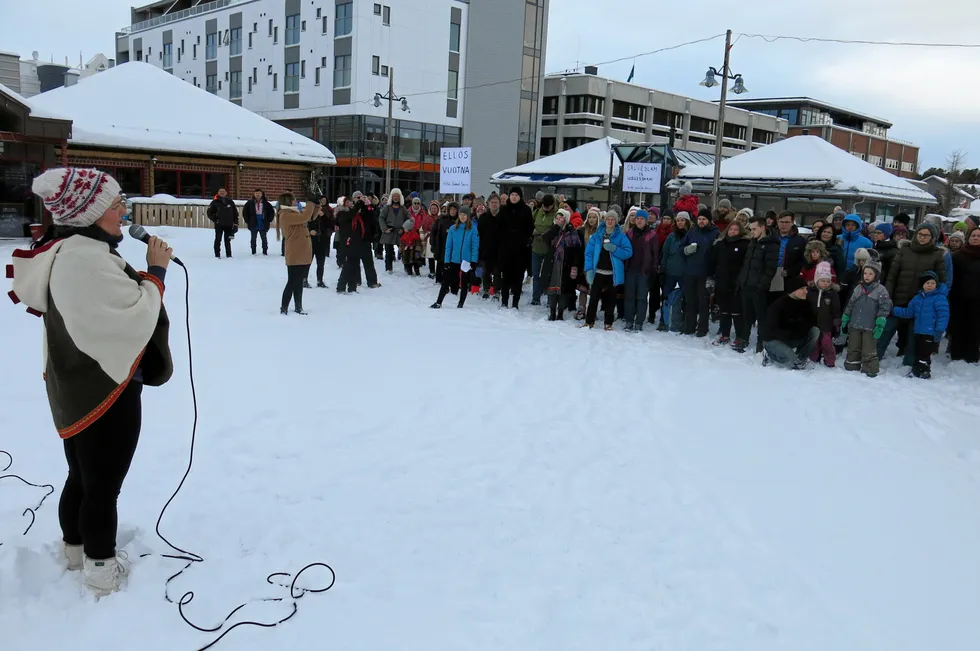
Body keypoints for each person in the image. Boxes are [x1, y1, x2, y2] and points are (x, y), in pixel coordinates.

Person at [10, 167, 174, 596]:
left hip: (77, 383)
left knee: (82, 476)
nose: (124, 211)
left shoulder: (78, 250)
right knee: (103, 486)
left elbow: (104, 308)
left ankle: (76, 550)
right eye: (117, 203)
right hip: (105, 388)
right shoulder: (84, 258)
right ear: (90, 213)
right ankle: (101, 570)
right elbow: (131, 317)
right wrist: (156, 273)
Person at [880, 222, 947, 364]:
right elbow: (892, 276)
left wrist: (932, 302)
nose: (922, 237)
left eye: (926, 235)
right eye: (920, 234)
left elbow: (941, 282)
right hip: (898, 299)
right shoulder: (904, 250)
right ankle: (873, 357)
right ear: (915, 234)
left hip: (921, 303)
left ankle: (909, 363)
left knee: (913, 337)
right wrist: (888, 296)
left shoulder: (937, 255)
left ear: (932, 237)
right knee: (885, 330)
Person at [892, 271, 949, 379]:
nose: (930, 285)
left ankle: (924, 372)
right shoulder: (917, 298)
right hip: (918, 331)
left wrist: (939, 331)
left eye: (932, 283)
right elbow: (909, 312)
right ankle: (917, 370)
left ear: (936, 285)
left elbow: (943, 316)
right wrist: (893, 310)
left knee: (924, 354)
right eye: (927, 283)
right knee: (918, 352)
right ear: (922, 285)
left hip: (930, 332)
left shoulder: (939, 298)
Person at [583, 210, 633, 330]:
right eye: (608, 219)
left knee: (611, 299)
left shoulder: (621, 236)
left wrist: (614, 249)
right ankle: (589, 321)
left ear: (616, 222)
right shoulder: (596, 236)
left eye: (612, 219)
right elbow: (588, 254)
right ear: (605, 221)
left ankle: (608, 323)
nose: (610, 221)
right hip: (598, 272)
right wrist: (589, 270)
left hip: (613, 274)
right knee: (593, 298)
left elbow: (628, 253)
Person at [842, 258, 891, 377]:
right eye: (865, 273)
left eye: (870, 273)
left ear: (876, 275)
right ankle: (852, 366)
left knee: (868, 350)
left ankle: (870, 369)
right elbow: (851, 304)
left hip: (870, 326)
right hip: (855, 324)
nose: (867, 276)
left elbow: (884, 308)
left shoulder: (881, 290)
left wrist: (880, 323)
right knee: (853, 347)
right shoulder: (858, 288)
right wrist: (845, 318)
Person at [738, 215, 780, 353]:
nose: (752, 232)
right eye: (750, 229)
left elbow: (770, 269)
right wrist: (742, 280)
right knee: (746, 315)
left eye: (754, 229)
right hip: (747, 284)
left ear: (763, 227)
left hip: (759, 287)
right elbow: (746, 264)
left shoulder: (772, 244)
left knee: (761, 318)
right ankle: (743, 339)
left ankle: (761, 343)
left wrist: (761, 286)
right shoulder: (753, 242)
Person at [762, 276, 819, 369]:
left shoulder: (806, 303)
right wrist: (791, 332)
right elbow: (770, 330)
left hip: (794, 337)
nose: (806, 291)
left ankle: (800, 358)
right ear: (793, 290)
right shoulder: (778, 305)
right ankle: (769, 355)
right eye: (802, 289)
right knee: (786, 358)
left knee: (815, 330)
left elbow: (812, 322)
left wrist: (800, 328)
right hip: (773, 340)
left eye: (806, 288)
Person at [708, 220, 749, 348]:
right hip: (722, 280)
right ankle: (725, 335)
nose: (732, 232)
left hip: (737, 282)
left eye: (735, 230)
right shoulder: (720, 244)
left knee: (737, 310)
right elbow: (713, 261)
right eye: (731, 229)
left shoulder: (745, 244)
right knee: (724, 310)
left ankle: (740, 336)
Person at [678, 208, 720, 337]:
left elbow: (719, 254)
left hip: (705, 273)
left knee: (703, 302)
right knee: (690, 301)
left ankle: (702, 328)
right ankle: (689, 326)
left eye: (704, 219)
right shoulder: (692, 232)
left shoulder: (715, 233)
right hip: (690, 271)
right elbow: (680, 248)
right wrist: (686, 250)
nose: (701, 221)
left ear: (709, 220)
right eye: (700, 219)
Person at [540, 209, 584, 321]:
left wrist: (574, 266)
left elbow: (577, 250)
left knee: (563, 289)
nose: (559, 220)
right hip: (552, 264)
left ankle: (560, 312)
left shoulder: (571, 231)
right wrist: (556, 227)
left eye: (562, 218)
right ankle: (552, 311)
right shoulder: (552, 229)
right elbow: (545, 239)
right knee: (552, 289)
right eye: (557, 218)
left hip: (566, 264)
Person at [431, 207, 480, 309]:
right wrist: (447, 261)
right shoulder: (453, 228)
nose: (462, 217)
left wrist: (474, 261)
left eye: (464, 215)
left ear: (468, 216)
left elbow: (475, 246)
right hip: (454, 260)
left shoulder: (473, 229)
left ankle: (461, 303)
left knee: (464, 283)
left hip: (466, 261)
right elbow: (448, 246)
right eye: (461, 214)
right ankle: (438, 302)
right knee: (446, 281)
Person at [277, 192, 318, 314]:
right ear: (288, 202)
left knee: (298, 281)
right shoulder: (285, 215)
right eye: (294, 200)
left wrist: (316, 204)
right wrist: (310, 203)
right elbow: (305, 217)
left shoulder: (294, 213)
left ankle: (298, 306)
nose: (296, 202)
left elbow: (310, 217)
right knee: (293, 281)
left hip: (302, 252)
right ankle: (284, 307)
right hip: (295, 253)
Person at [496, 187, 535, 309]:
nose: (514, 197)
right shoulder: (504, 209)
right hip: (505, 249)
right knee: (506, 277)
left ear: (520, 197)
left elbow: (529, 228)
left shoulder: (526, 210)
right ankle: (504, 301)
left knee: (518, 277)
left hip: (520, 250)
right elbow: (498, 227)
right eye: (512, 194)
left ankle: (515, 303)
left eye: (516, 195)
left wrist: (521, 238)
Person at [622, 209, 659, 332]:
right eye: (637, 218)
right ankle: (629, 321)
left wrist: (653, 271)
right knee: (629, 297)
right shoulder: (629, 233)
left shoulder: (652, 234)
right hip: (631, 269)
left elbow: (655, 254)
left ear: (646, 220)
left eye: (642, 219)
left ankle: (639, 322)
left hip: (645, 271)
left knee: (642, 298)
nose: (639, 221)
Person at [948, 228, 980, 362]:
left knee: (975, 328)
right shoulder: (957, 255)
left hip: (978, 301)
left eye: (979, 236)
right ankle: (956, 354)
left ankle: (972, 356)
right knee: (957, 327)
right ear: (968, 237)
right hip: (958, 298)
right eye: (973, 235)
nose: (976, 238)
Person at [658, 211, 690, 332]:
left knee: (685, 299)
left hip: (685, 273)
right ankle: (663, 321)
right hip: (670, 272)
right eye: (678, 220)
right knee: (666, 297)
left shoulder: (691, 235)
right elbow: (665, 253)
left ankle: (683, 321)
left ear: (687, 221)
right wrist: (662, 269)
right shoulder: (671, 236)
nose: (680, 222)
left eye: (682, 220)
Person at [807, 262, 841, 368]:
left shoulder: (832, 294)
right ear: (817, 280)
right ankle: (814, 358)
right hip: (813, 323)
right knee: (814, 342)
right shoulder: (811, 293)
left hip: (827, 324)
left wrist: (836, 322)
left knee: (826, 343)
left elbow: (836, 309)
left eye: (828, 281)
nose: (826, 283)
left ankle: (830, 360)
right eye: (823, 281)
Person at [531, 194, 559, 305]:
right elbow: (530, 223)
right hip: (536, 247)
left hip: (549, 249)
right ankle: (535, 297)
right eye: (544, 206)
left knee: (548, 274)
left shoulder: (557, 214)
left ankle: (549, 299)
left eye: (548, 206)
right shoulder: (537, 212)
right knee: (536, 274)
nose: (546, 208)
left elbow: (557, 229)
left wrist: (545, 234)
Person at [478, 192, 501, 299]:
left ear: (499, 204)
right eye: (492, 202)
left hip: (499, 249)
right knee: (485, 271)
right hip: (485, 248)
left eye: (496, 202)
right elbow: (479, 234)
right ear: (488, 203)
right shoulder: (483, 218)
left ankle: (497, 290)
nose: (494, 204)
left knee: (497, 272)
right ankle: (486, 289)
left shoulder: (503, 217)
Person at [379, 188, 408, 273]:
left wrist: (403, 229)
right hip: (389, 231)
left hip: (399, 232)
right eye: (394, 196)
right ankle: (389, 268)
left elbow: (409, 218)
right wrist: (385, 229)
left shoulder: (403, 208)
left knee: (403, 250)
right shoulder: (387, 208)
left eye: (397, 196)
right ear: (392, 197)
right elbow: (381, 218)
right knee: (388, 251)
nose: (396, 198)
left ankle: (407, 267)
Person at [307, 197, 332, 288]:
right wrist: (310, 231)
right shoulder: (309, 215)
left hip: (322, 240)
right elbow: (304, 225)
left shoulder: (324, 214)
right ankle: (304, 279)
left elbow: (330, 225)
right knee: (308, 261)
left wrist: (323, 216)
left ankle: (320, 280)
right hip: (311, 240)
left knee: (321, 262)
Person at [207, 187, 239, 258]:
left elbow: (235, 213)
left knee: (228, 241)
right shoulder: (214, 202)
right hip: (219, 224)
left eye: (223, 191)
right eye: (220, 191)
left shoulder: (230, 201)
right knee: (218, 239)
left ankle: (229, 255)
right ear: (218, 193)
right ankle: (217, 255)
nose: (222, 192)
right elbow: (209, 213)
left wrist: (236, 223)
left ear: (226, 193)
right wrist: (215, 220)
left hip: (229, 224)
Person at [242, 189, 275, 255]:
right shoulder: (249, 203)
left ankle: (265, 251)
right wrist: (248, 220)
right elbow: (245, 212)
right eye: (256, 193)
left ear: (262, 194)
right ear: (254, 194)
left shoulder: (266, 204)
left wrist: (269, 219)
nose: (257, 194)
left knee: (264, 238)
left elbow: (271, 212)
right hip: (253, 222)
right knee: (253, 238)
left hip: (263, 222)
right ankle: (253, 252)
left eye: (259, 193)